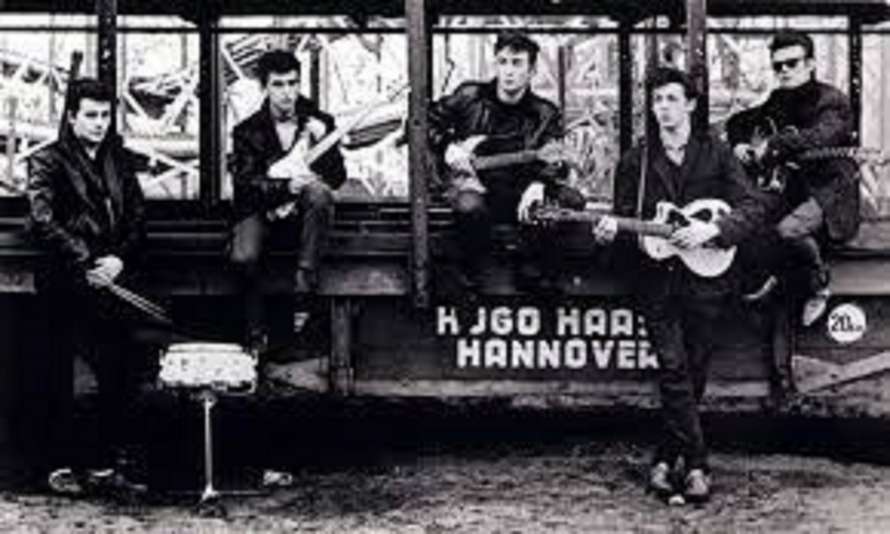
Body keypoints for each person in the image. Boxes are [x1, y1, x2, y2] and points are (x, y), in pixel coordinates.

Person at [593, 68, 767, 502]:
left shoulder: (717, 153)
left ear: (690, 104)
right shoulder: (635, 161)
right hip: (656, 282)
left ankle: (664, 459)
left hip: (708, 279)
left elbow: (752, 207)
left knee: (694, 372)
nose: (664, 108)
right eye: (657, 100)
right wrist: (613, 233)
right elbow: (625, 220)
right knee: (673, 368)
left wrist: (713, 231)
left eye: (672, 98)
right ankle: (698, 466)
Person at [26, 78, 148, 494]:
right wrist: (86, 261)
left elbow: (137, 218)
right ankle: (58, 466)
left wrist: (118, 260)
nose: (99, 123)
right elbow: (42, 221)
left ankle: (102, 466)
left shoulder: (120, 161)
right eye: (91, 115)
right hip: (65, 280)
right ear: (72, 117)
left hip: (109, 279)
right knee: (59, 375)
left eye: (105, 115)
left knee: (117, 370)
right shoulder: (47, 160)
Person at [428, 31, 584, 294]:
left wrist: (539, 182)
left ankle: (533, 269)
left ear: (532, 70)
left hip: (520, 196)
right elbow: (424, 121)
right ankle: (474, 275)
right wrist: (448, 148)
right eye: (503, 62)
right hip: (475, 190)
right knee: (468, 206)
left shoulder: (545, 113)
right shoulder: (470, 96)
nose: (508, 71)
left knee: (572, 200)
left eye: (517, 63)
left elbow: (556, 160)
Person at [726, 31, 860, 326]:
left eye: (792, 63)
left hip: (829, 191)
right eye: (778, 66)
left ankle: (818, 285)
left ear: (810, 63)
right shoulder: (778, 99)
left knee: (789, 231)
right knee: (747, 218)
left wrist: (773, 144)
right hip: (789, 189)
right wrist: (740, 144)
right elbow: (738, 122)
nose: (784, 71)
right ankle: (767, 278)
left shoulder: (832, 101)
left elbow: (821, 137)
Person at [229, 50, 347, 353]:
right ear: (264, 87)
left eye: (293, 83)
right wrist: (285, 186)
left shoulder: (320, 121)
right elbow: (244, 184)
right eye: (278, 84)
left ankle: (304, 292)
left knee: (319, 193)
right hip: (261, 210)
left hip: (304, 218)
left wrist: (325, 141)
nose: (287, 93)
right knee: (243, 257)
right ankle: (255, 331)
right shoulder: (246, 131)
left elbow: (337, 178)